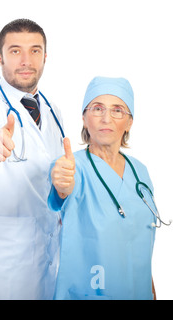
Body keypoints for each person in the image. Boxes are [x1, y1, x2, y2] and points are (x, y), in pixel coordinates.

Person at [0, 18, 65, 299]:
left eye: (34, 50)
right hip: (3, 264)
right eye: (15, 50)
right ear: (0, 57)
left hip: (49, 256)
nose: (26, 60)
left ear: (45, 56)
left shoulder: (53, 110)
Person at [49, 76, 158, 299]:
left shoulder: (141, 172)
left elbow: (141, 246)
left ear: (129, 122)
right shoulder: (71, 167)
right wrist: (61, 185)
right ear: (84, 118)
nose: (106, 118)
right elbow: (61, 191)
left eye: (118, 110)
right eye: (97, 109)